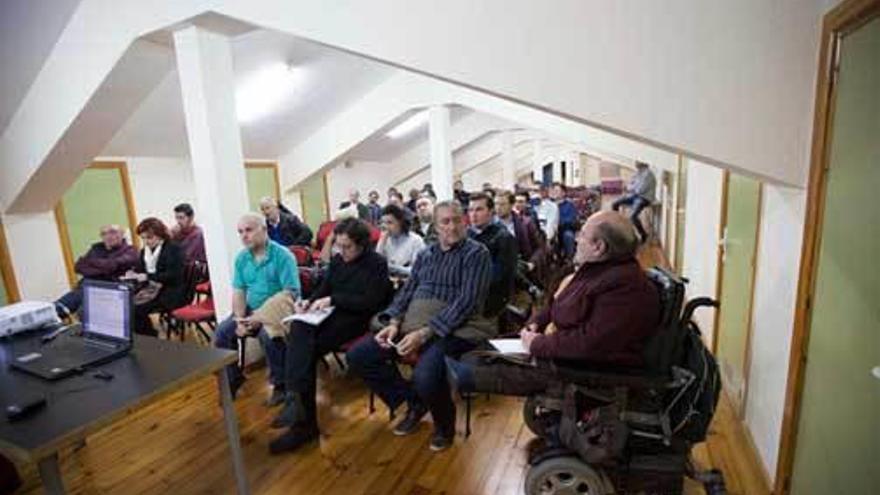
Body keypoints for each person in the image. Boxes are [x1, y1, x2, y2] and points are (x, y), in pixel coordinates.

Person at [446, 211, 661, 396]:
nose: (576, 239)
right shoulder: (598, 270)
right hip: (562, 348)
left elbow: (591, 343)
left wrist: (538, 344)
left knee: (470, 368)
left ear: (599, 247)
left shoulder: (625, 287)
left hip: (589, 367)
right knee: (482, 353)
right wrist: (537, 322)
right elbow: (558, 303)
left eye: (583, 234)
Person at [346, 201, 492, 452]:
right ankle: (413, 403)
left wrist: (424, 334)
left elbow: (466, 303)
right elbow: (407, 291)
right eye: (445, 221)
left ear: (464, 221)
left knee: (425, 376)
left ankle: (444, 426)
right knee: (359, 356)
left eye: (457, 220)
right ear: (435, 227)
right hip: (412, 324)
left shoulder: (476, 253)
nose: (453, 226)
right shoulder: (425, 255)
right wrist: (393, 322)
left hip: (455, 328)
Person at [269, 218, 392, 454]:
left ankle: (300, 416)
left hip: (359, 318)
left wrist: (333, 300)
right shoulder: (337, 260)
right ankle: (299, 409)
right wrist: (309, 301)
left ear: (362, 245)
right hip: (334, 314)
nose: (341, 251)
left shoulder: (376, 263)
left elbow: (371, 302)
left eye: (347, 247)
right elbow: (325, 288)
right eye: (339, 245)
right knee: (299, 328)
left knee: (306, 347)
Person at [214, 213, 301, 401]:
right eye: (240, 232)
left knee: (268, 336)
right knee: (222, 332)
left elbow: (291, 293)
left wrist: (258, 318)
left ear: (264, 229)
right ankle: (233, 378)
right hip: (250, 310)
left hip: (279, 310)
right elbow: (239, 291)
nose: (244, 236)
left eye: (249, 230)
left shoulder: (283, 256)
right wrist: (239, 320)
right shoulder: (241, 259)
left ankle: (280, 384)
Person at [54, 224, 139, 318]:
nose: (108, 236)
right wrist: (104, 267)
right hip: (86, 287)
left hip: (110, 290)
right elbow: (78, 267)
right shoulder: (96, 248)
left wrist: (91, 263)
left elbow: (111, 265)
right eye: (104, 234)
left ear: (122, 234)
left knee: (83, 314)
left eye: (113, 232)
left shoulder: (131, 250)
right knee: (55, 309)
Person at [126, 218, 187, 337]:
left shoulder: (173, 249)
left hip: (170, 291)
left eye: (149, 237)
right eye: (143, 238)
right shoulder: (145, 251)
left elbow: (174, 275)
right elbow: (141, 270)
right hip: (152, 288)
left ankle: (150, 337)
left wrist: (147, 276)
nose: (146, 241)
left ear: (160, 235)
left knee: (136, 310)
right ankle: (146, 335)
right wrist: (132, 273)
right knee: (127, 306)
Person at [466, 192, 517, 317]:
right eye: (471, 210)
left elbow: (500, 275)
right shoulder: (465, 236)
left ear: (490, 211)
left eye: (479, 210)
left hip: (490, 298)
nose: (473, 214)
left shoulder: (503, 237)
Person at [496, 190, 545, 271]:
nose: (498, 208)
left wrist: (532, 263)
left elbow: (539, 247)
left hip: (522, 265)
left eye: (502, 204)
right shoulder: (490, 224)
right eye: (496, 204)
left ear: (511, 205)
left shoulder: (526, 223)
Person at [376, 204, 426, 277]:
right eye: (383, 222)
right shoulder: (385, 239)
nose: (386, 227)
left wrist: (393, 268)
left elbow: (417, 270)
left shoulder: (415, 240)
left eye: (390, 223)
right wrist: (381, 242)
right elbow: (376, 265)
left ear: (400, 223)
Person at [612, 161, 656, 242]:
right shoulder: (638, 173)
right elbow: (630, 184)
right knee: (615, 204)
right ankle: (617, 225)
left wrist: (631, 188)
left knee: (633, 216)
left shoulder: (648, 175)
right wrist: (631, 188)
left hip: (644, 198)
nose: (635, 163)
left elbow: (640, 190)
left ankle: (643, 234)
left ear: (643, 163)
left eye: (637, 162)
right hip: (635, 196)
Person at [551, 182, 579, 258]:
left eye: (557, 191)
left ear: (563, 193)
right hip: (550, 230)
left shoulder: (569, 205)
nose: (554, 193)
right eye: (553, 190)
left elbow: (570, 219)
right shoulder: (549, 205)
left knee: (568, 236)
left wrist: (557, 224)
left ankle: (569, 260)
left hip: (564, 230)